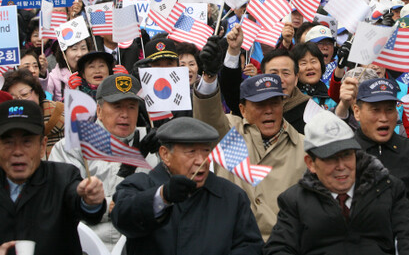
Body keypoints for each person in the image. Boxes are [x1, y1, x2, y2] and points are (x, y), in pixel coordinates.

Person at [264, 110, 409, 254]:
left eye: (347, 155)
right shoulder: (294, 201)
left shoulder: (388, 188)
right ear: (311, 163)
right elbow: (279, 248)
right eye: (331, 158)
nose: (341, 166)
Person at [111, 117, 263, 254]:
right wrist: (163, 197)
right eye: (191, 152)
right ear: (165, 155)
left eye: (206, 151)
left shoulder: (231, 196)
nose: (200, 160)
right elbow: (123, 218)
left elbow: (250, 246)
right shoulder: (140, 185)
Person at [193, 62, 306, 240]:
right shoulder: (231, 135)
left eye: (275, 103)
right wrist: (209, 77)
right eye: (260, 104)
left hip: (285, 245)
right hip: (234, 243)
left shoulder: (303, 147)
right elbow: (208, 118)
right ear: (243, 110)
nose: (269, 110)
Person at [50, 73, 157, 250]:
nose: (125, 114)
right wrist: (125, 178)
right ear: (99, 111)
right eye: (117, 106)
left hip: (142, 244)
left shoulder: (152, 144)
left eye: (131, 107)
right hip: (88, 245)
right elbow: (67, 204)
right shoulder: (72, 147)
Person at [0, 99, 106, 254]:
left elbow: (84, 207)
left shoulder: (63, 177)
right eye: (9, 143)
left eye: (27, 142)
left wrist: (91, 200)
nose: (17, 151)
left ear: (43, 145)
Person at [351, 78, 409, 248]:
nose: (384, 118)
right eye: (375, 110)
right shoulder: (344, 156)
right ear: (357, 112)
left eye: (390, 110)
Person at [2, 69, 64, 156]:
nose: (21, 101)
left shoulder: (65, 117)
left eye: (24, 94)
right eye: (13, 98)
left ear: (37, 92)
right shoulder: (5, 127)